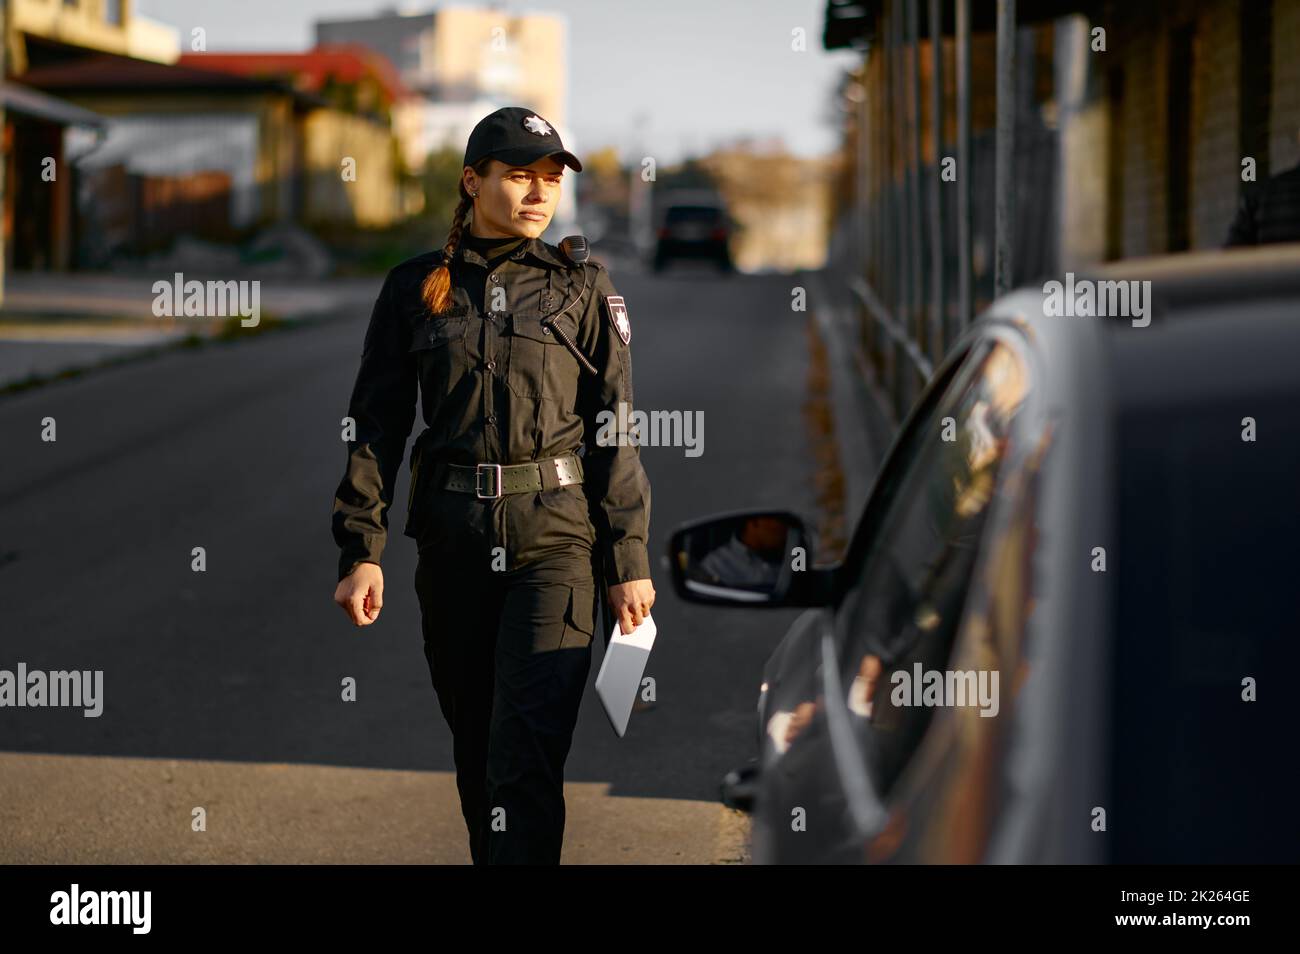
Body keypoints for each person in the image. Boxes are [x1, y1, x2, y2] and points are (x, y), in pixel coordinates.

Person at [330, 106, 655, 865]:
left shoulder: (581, 286)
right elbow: (373, 423)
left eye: (548, 180)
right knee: (478, 756)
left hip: (558, 548)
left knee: (524, 760)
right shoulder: (415, 287)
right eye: (519, 176)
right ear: (472, 182)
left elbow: (614, 428)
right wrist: (361, 548)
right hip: (453, 547)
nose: (538, 193)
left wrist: (628, 557)